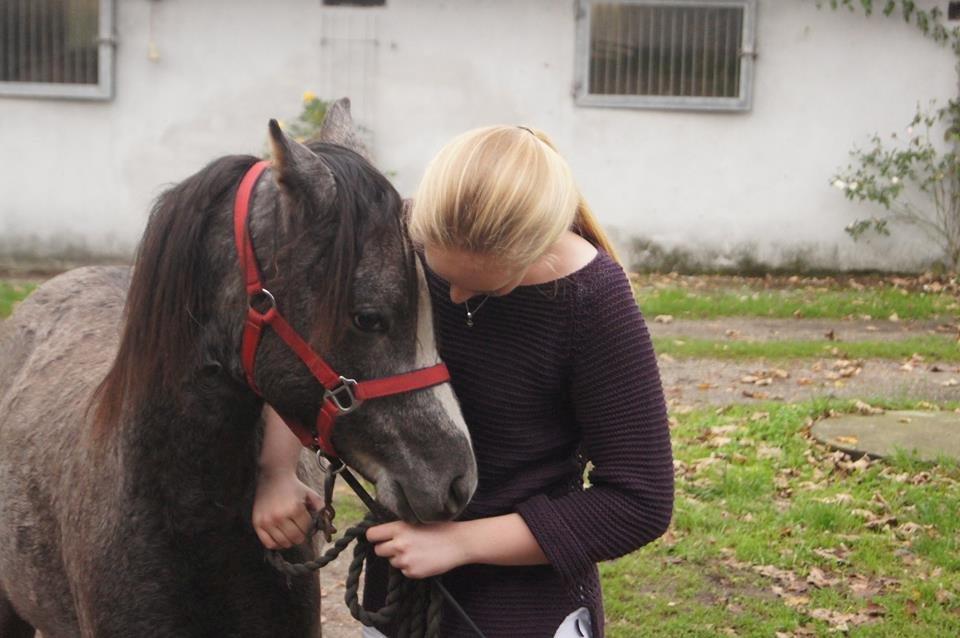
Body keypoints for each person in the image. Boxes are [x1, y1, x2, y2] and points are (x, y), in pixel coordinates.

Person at [252, 125, 675, 638]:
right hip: (397, 606)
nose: (453, 297)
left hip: (523, 614)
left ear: (536, 251)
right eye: (440, 272)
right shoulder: (394, 242)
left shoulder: (593, 303)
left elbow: (638, 503)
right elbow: (312, 348)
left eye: (481, 286)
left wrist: (459, 543)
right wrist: (277, 472)